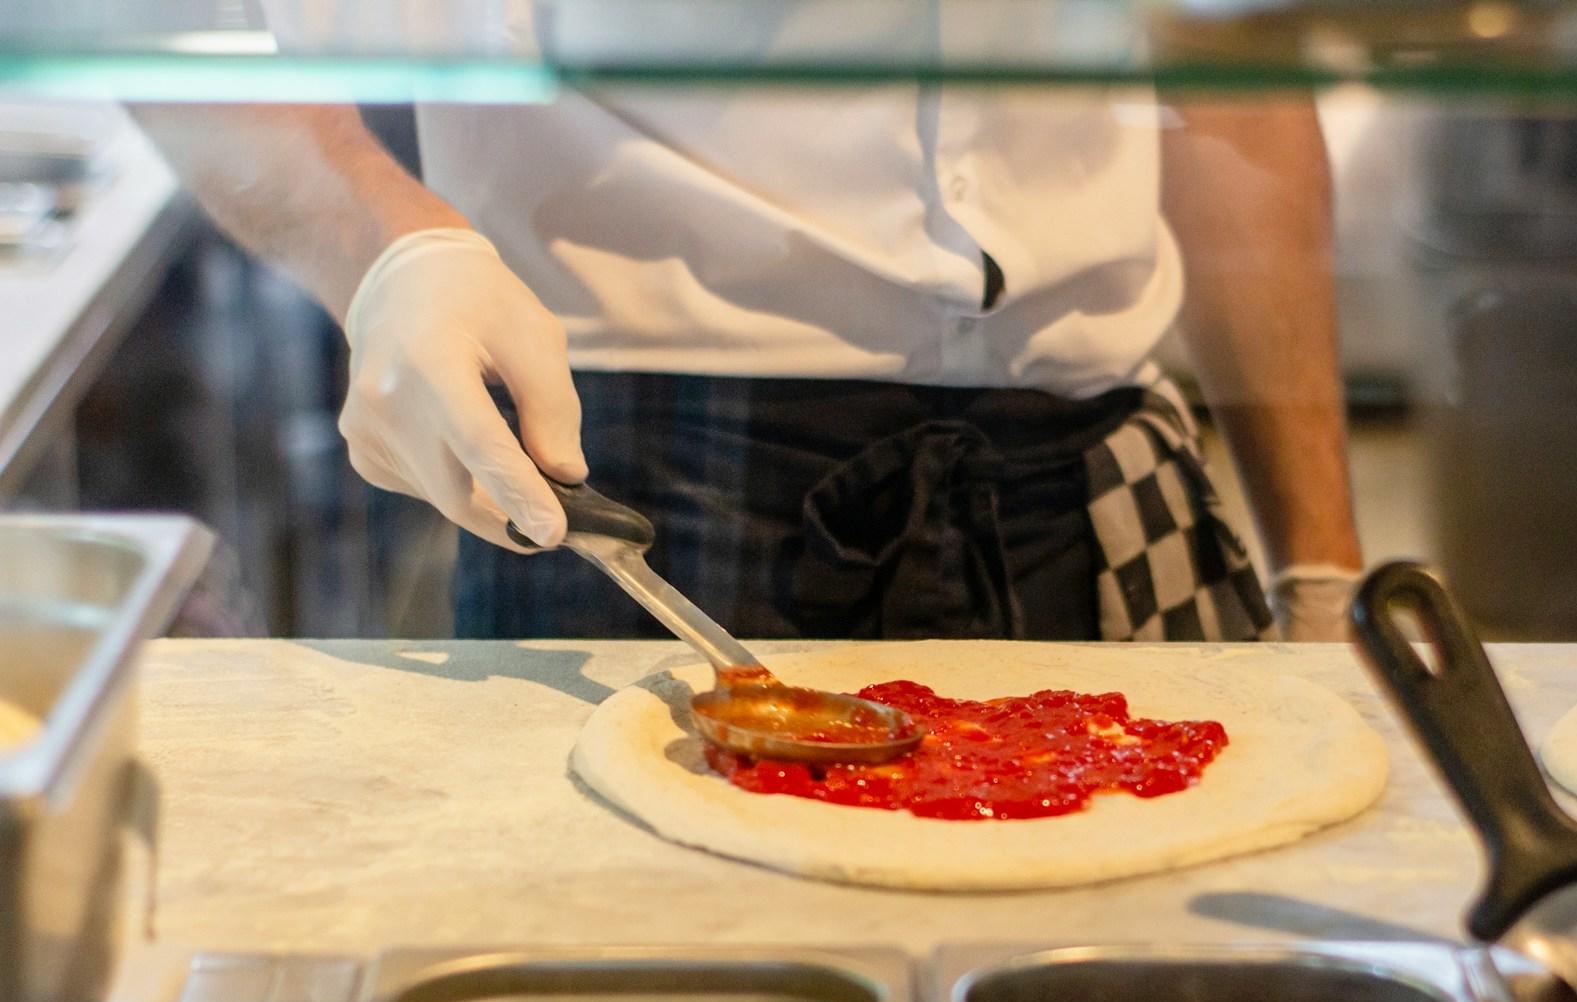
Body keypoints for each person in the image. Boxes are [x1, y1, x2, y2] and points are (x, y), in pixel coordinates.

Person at [135, 75, 1361, 643]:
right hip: (624, 495)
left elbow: (1235, 79)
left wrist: (1324, 570)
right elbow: (161, 29)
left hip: (1088, 485)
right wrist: (386, 254)